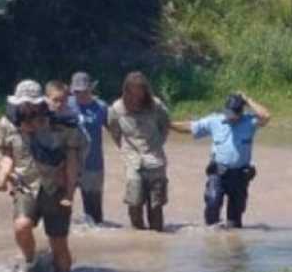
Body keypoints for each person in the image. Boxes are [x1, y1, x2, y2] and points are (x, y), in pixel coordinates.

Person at [0, 80, 85, 272]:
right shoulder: (7, 123)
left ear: (41, 102)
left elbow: (78, 152)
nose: (28, 108)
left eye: (32, 104)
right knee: (21, 226)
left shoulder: (61, 123)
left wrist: (71, 187)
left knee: (60, 248)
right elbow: (5, 154)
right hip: (25, 186)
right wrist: (5, 177)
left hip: (55, 188)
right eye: (24, 104)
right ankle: (32, 262)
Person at [170, 93, 271, 228]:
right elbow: (190, 127)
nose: (231, 117)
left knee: (235, 222)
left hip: (240, 176)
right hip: (218, 173)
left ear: (241, 112)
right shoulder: (214, 121)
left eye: (235, 114)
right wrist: (168, 124)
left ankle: (232, 238)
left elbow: (266, 116)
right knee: (212, 204)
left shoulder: (250, 122)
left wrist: (247, 99)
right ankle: (211, 237)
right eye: (229, 113)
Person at [107, 71, 171, 232]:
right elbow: (114, 132)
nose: (136, 97)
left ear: (145, 91)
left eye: (140, 93)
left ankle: (156, 238)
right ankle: (138, 237)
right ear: (126, 91)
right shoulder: (117, 108)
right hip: (132, 160)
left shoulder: (156, 105)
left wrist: (157, 144)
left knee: (156, 206)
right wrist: (126, 150)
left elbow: (165, 126)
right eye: (133, 93)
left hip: (156, 159)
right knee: (134, 202)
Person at [67, 72, 108, 225]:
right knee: (61, 209)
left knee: (95, 218)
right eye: (77, 91)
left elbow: (116, 130)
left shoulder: (101, 107)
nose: (80, 94)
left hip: (93, 164)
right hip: (68, 164)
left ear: (90, 89)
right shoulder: (65, 104)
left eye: (84, 91)